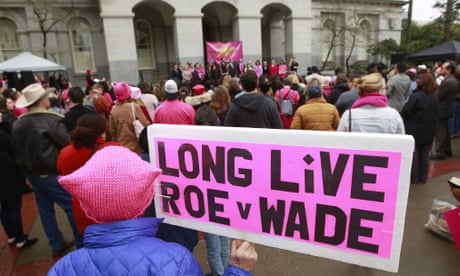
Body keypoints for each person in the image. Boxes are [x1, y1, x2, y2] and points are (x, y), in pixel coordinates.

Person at [48, 145, 257, 276]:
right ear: (147, 198)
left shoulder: (61, 268)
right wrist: (238, 270)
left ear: (86, 206)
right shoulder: (176, 259)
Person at [11, 83, 81, 257]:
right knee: (71, 206)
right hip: (51, 171)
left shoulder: (19, 123)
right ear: (42, 101)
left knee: (45, 209)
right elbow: (66, 143)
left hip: (31, 174)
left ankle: (56, 243)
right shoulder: (51, 120)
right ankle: (81, 243)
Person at [57, 114, 120, 235]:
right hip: (110, 209)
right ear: (103, 132)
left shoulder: (65, 153)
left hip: (81, 209)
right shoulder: (112, 149)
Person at [0, 126, 38, 250]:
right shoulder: (3, 135)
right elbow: (13, 149)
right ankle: (20, 239)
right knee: (13, 208)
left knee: (5, 208)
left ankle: (11, 235)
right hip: (8, 176)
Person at [401, 73, 439, 184]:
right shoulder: (434, 96)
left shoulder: (416, 96)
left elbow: (406, 111)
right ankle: (423, 176)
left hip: (415, 128)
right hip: (429, 128)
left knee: (414, 154)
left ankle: (414, 177)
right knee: (424, 154)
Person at [337, 73, 405, 134]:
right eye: (385, 88)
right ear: (380, 91)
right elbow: (402, 142)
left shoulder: (349, 115)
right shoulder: (394, 115)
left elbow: (340, 141)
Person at [109, 81, 149, 154]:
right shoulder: (134, 107)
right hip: (137, 147)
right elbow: (145, 124)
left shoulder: (113, 110)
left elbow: (112, 131)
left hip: (121, 148)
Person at [430, 61, 458, 160]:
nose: (441, 70)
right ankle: (446, 149)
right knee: (445, 131)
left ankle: (439, 151)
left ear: (449, 70)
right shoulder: (453, 80)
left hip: (442, 109)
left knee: (440, 132)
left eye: (443, 68)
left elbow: (439, 95)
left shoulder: (447, 81)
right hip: (447, 108)